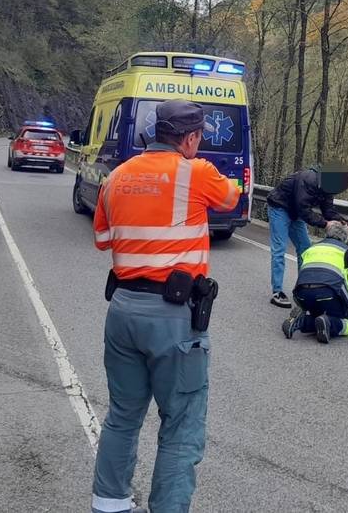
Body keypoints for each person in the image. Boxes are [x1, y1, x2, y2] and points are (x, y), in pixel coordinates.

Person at [91, 99, 241, 513]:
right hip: (173, 319)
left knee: (122, 415)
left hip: (122, 309)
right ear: (191, 138)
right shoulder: (197, 172)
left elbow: (103, 240)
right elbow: (231, 197)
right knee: (181, 426)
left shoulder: (116, 176)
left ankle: (109, 506)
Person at [281, 220, 348, 343]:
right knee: (347, 324)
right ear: (345, 238)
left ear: (327, 234)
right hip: (328, 294)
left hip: (301, 294)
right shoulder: (347, 252)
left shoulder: (311, 248)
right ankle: (328, 322)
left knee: (317, 315)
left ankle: (301, 321)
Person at [267, 164, 348, 308]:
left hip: (296, 212)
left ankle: (304, 287)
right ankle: (277, 292)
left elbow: (328, 210)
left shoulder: (329, 187)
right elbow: (304, 209)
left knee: (305, 250)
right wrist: (325, 224)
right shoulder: (309, 179)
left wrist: (342, 221)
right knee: (279, 249)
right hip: (280, 207)